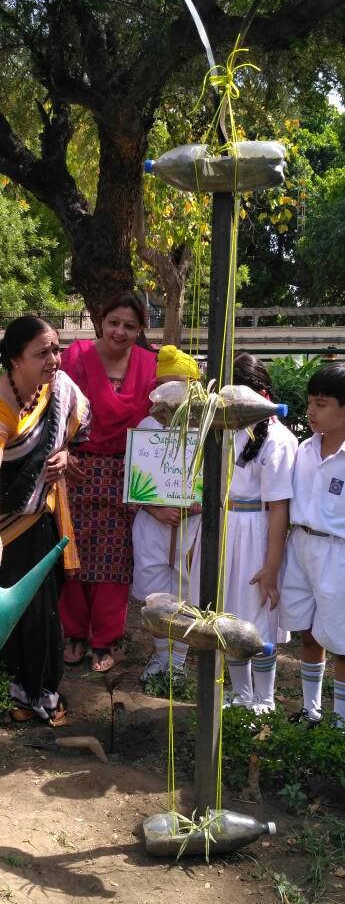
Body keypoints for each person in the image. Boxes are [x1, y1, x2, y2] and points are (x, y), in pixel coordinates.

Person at [0, 315, 90, 725]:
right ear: (14, 360)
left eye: (56, 349)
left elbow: (75, 436)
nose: (54, 359)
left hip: (37, 515)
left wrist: (65, 456)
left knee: (41, 607)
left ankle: (41, 690)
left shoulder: (59, 390)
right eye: (42, 353)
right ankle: (8, 689)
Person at [190, 353, 298, 712]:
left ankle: (264, 700)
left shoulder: (278, 439)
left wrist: (271, 567)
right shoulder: (223, 430)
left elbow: (279, 508)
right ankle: (241, 695)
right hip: (223, 526)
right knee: (229, 614)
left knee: (258, 614)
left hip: (256, 532)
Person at [59, 292, 157, 672]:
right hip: (76, 470)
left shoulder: (150, 365)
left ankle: (105, 640)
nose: (120, 331)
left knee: (114, 560)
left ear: (140, 329)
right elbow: (53, 407)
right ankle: (74, 633)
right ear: (101, 320)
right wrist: (62, 452)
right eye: (114, 322)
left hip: (124, 472)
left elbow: (159, 423)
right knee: (72, 554)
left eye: (130, 326)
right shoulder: (75, 357)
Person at [131, 345, 202, 688]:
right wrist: (156, 508)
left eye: (178, 383)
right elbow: (136, 480)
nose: (170, 391)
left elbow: (219, 481)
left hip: (193, 526)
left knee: (186, 590)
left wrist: (196, 504)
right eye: (164, 384)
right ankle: (161, 658)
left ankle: (179, 661)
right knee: (155, 593)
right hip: (153, 525)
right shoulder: (147, 425)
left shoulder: (208, 429)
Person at [279, 361, 345, 727]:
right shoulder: (304, 449)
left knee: (341, 640)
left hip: (338, 552)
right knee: (307, 631)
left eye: (321, 404)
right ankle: (311, 709)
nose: (311, 411)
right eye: (310, 403)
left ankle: (340, 722)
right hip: (300, 545)